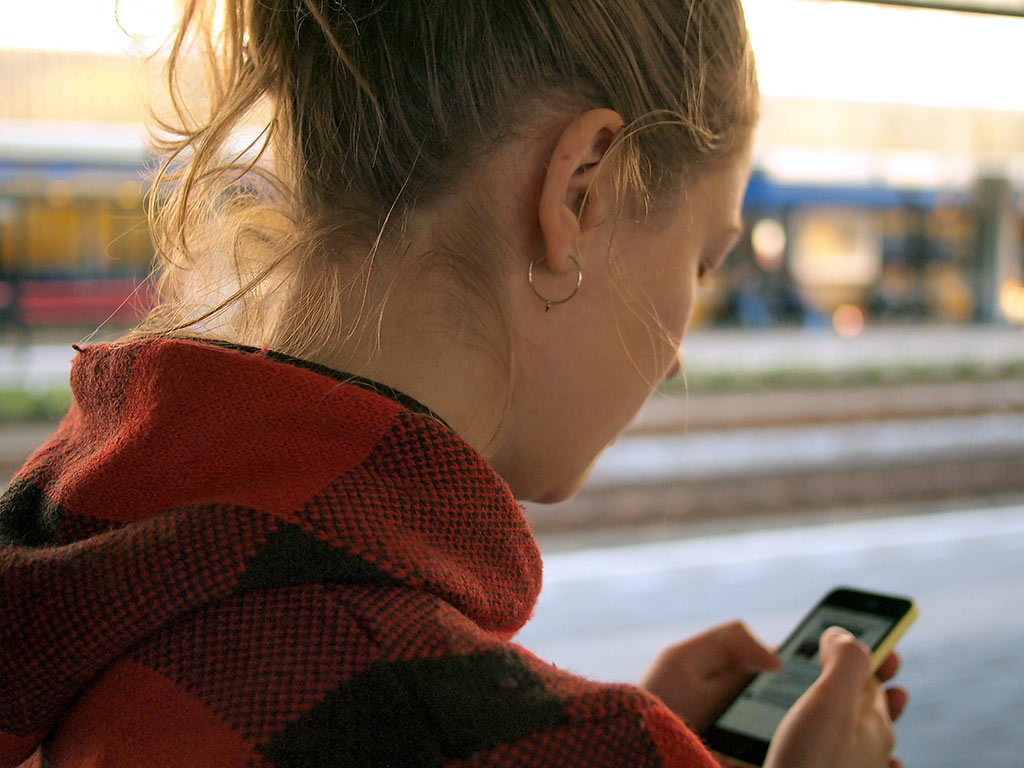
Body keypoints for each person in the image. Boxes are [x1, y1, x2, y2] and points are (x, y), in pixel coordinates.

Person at [0, 1, 908, 766]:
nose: (675, 353)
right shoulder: (496, 726)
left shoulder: (73, 550)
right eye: (704, 263)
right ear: (581, 193)